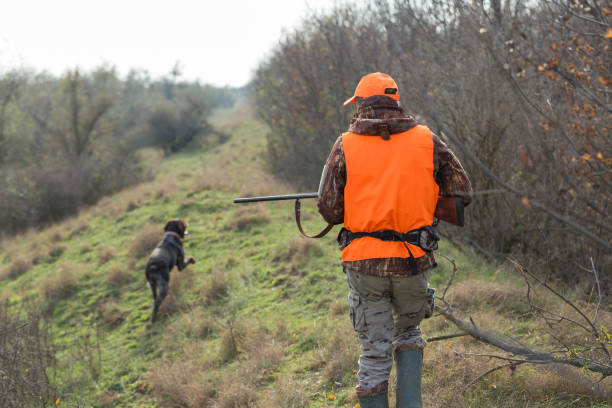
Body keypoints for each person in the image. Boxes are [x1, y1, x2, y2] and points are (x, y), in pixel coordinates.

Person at [317, 72, 472, 407]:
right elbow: (462, 191)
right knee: (409, 333)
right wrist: (420, 193)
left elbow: (328, 209)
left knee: (374, 354)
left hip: (364, 264)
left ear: (359, 103)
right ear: (395, 101)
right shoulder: (427, 139)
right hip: (414, 260)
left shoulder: (345, 143)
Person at [145, 219, 196, 322]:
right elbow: (180, 267)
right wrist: (189, 261)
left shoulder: (162, 243)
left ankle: (155, 300)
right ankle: (155, 313)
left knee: (154, 284)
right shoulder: (177, 246)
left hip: (149, 265)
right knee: (163, 292)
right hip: (162, 265)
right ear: (181, 230)